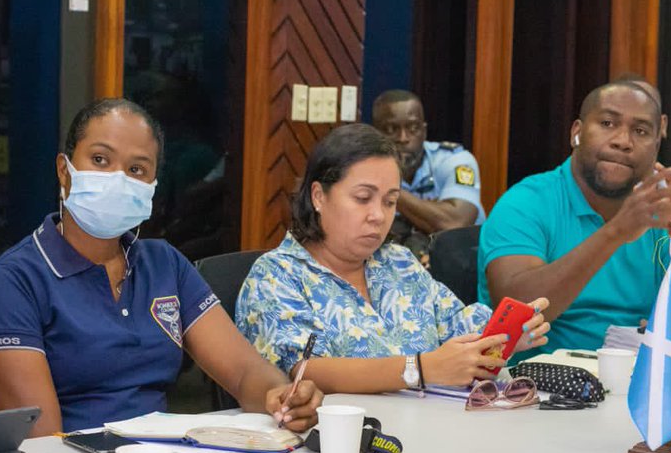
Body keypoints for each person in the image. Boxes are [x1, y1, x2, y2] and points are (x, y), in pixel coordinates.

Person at [0, 98, 323, 435]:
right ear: (65, 170)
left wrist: (280, 395)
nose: (118, 179)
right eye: (100, 160)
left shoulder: (164, 263)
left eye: (136, 169)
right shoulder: (12, 282)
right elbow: (41, 439)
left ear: (152, 185)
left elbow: (244, 371)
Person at [235, 123, 549, 394]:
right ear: (319, 196)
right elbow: (303, 372)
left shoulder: (399, 262)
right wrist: (419, 370)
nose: (378, 215)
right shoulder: (276, 276)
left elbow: (455, 325)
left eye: (390, 202)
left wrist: (504, 334)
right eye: (362, 198)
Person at [479, 80, 671, 360]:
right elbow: (517, 314)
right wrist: (616, 232)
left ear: (656, 146)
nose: (623, 141)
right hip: (539, 381)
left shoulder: (664, 213)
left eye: (640, 131)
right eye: (607, 123)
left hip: (641, 375)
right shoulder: (526, 202)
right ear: (576, 133)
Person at [372, 90, 485, 263]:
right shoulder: (363, 168)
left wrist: (389, 190)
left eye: (413, 128)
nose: (403, 138)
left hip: (461, 265)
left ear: (424, 131)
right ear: (375, 134)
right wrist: (431, 211)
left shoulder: (454, 160)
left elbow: (454, 223)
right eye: (391, 129)